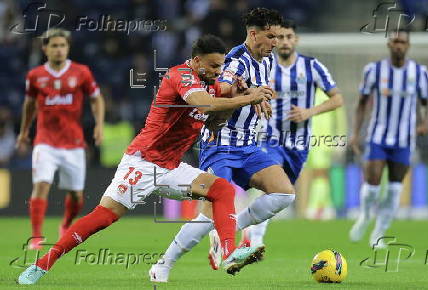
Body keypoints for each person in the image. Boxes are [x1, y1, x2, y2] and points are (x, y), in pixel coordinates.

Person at [18, 34, 273, 285]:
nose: (219, 71)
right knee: (103, 217)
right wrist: (248, 97)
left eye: (221, 66)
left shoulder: (212, 85)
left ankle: (229, 253)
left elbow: (215, 120)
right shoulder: (180, 75)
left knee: (222, 190)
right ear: (197, 61)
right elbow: (204, 105)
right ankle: (41, 264)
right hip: (144, 161)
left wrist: (235, 101)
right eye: (214, 65)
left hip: (171, 166)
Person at [149, 8, 296, 282]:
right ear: (254, 34)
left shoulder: (268, 61)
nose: (276, 42)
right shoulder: (235, 60)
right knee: (208, 212)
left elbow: (254, 93)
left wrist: (260, 97)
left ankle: (225, 228)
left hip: (249, 146)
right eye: (271, 36)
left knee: (285, 194)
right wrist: (251, 92)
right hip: (221, 146)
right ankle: (163, 264)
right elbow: (223, 89)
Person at [239, 19, 343, 248]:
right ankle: (253, 239)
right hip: (270, 139)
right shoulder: (265, 65)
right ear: (274, 41)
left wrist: (309, 112)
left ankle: (243, 226)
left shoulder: (312, 67)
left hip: (299, 145)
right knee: (272, 187)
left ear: (296, 40)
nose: (284, 42)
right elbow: (244, 90)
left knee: (281, 197)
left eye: (289, 37)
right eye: (280, 37)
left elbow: (337, 99)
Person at [15, 28, 105, 250]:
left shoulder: (81, 72)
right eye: (54, 46)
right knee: (41, 184)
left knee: (76, 195)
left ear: (68, 48)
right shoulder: (35, 76)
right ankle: (36, 236)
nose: (58, 50)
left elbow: (96, 99)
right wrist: (24, 131)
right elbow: (29, 105)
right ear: (45, 48)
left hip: (73, 143)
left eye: (62, 46)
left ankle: (65, 224)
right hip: (45, 141)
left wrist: (99, 125)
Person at [349, 29, 428, 247]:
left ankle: (379, 232)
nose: (398, 45)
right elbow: (362, 103)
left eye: (402, 42)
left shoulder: (419, 72)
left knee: (395, 189)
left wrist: (425, 122)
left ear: (408, 45)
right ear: (388, 44)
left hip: (404, 140)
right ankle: (365, 216)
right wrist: (355, 133)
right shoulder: (374, 70)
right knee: (373, 186)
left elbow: (425, 103)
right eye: (395, 41)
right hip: (378, 137)